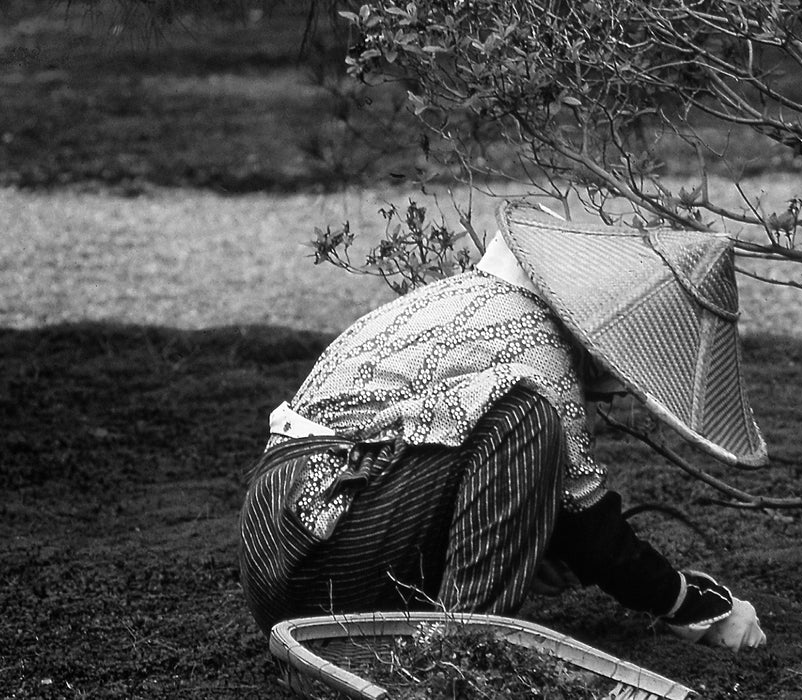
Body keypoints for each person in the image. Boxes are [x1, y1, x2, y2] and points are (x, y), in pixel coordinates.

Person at [238, 201, 768, 651]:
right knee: (528, 418)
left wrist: (536, 542)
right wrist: (691, 603)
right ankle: (448, 660)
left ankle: (415, 637)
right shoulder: (536, 342)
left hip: (274, 549)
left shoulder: (460, 298)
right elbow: (592, 527)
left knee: (515, 433)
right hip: (321, 549)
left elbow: (430, 455)